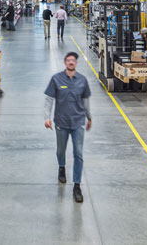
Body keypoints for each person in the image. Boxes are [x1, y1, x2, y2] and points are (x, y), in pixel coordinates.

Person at [45, 52, 91, 203]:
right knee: (61, 150)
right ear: (65, 62)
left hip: (78, 122)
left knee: (78, 153)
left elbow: (85, 100)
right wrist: (47, 117)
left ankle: (77, 186)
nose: (71, 63)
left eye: (73, 61)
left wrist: (89, 116)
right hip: (61, 122)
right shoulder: (56, 79)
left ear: (76, 63)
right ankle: (61, 167)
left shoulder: (82, 80)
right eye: (68, 60)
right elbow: (49, 99)